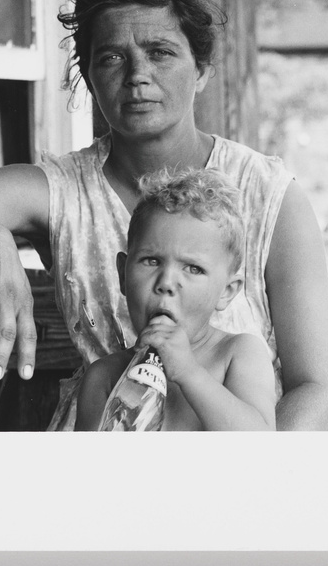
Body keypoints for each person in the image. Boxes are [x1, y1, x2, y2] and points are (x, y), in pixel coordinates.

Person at [0, 0, 328, 431]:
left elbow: (318, 389)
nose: (137, 74)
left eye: (160, 51)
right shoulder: (63, 190)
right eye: (112, 57)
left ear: (201, 69)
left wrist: (251, 479)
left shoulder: (267, 194)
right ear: (89, 74)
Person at [75, 168, 276, 432]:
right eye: (152, 261)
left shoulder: (238, 354)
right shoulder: (104, 377)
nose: (167, 283)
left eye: (193, 268)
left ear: (226, 291)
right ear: (123, 274)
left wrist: (188, 373)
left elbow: (263, 449)